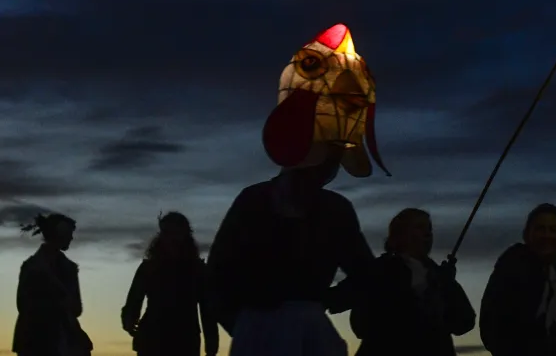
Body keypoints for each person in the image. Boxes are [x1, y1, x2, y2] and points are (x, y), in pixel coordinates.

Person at [206, 142, 375, 356]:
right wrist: (242, 321)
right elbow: (219, 271)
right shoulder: (254, 200)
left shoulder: (335, 208)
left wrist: (324, 301)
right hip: (260, 321)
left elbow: (365, 272)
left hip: (292, 325)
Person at [346, 208, 475, 356]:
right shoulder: (379, 270)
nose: (428, 234)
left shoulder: (440, 276)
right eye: (419, 227)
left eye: (429, 229)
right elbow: (361, 324)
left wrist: (448, 285)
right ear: (400, 234)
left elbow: (464, 323)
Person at [480, 203, 556, 356]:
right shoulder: (512, 267)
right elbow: (493, 330)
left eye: (553, 230)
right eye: (541, 229)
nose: (547, 235)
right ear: (528, 234)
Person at [121, 212, 219, 356]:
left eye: (177, 233)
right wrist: (129, 319)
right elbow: (134, 300)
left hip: (184, 340)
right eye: (169, 233)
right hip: (154, 338)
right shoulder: (149, 268)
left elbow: (207, 310)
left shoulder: (198, 271)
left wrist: (211, 344)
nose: (173, 238)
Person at [13, 212, 93, 356]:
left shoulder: (66, 267)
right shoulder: (33, 267)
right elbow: (23, 304)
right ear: (59, 234)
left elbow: (76, 308)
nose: (72, 238)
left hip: (59, 339)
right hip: (36, 339)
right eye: (69, 233)